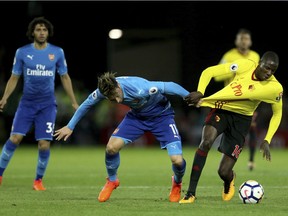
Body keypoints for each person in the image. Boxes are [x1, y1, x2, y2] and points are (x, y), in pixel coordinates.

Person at [54, 72, 188, 202]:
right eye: (111, 99)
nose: (117, 100)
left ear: (118, 86)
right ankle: (112, 181)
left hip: (162, 117)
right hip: (137, 118)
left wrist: (189, 96)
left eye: (116, 95)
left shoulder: (140, 87)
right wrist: (70, 126)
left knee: (177, 160)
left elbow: (170, 86)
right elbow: (86, 104)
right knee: (111, 147)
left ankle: (177, 182)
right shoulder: (104, 90)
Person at [179, 51, 283, 204]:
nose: (268, 73)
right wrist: (201, 91)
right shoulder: (246, 65)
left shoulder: (274, 88)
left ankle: (229, 179)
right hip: (222, 109)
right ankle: (190, 193)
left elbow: (277, 113)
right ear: (259, 62)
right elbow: (210, 71)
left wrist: (267, 139)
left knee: (223, 171)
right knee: (206, 142)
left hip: (242, 121)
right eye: (266, 67)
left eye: (272, 70)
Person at [0, 17, 79, 190]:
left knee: (44, 143)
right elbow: (14, 77)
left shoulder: (57, 52)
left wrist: (74, 102)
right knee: (15, 138)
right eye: (38, 29)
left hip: (47, 105)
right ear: (32, 33)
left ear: (48, 32)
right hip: (27, 103)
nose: (41, 32)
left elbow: (64, 77)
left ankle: (38, 181)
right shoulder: (22, 52)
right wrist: (5, 97)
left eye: (44, 29)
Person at [215, 28, 260, 171]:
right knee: (228, 130)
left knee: (251, 127)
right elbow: (217, 75)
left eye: (246, 38)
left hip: (248, 99)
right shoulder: (229, 56)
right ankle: (226, 161)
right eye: (241, 38)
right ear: (236, 41)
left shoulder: (255, 56)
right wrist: (233, 69)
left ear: (250, 41)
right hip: (230, 100)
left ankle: (251, 160)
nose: (243, 41)